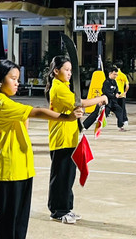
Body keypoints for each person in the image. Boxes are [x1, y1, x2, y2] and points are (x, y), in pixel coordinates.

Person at [0, 59, 83, 239]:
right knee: (6, 218)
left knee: (18, 217)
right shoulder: (1, 103)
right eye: (12, 79)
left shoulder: (6, 102)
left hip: (22, 167)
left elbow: (26, 120)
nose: (16, 83)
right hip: (9, 169)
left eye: (17, 79)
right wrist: (67, 117)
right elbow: (37, 112)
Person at [45, 55, 108, 224]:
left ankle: (66, 208)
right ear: (56, 71)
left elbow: (75, 107)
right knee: (61, 176)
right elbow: (80, 102)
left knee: (68, 176)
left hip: (70, 138)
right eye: (66, 70)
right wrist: (101, 98)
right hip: (62, 139)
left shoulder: (63, 86)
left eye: (71, 70)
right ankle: (58, 211)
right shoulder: (58, 88)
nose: (69, 73)